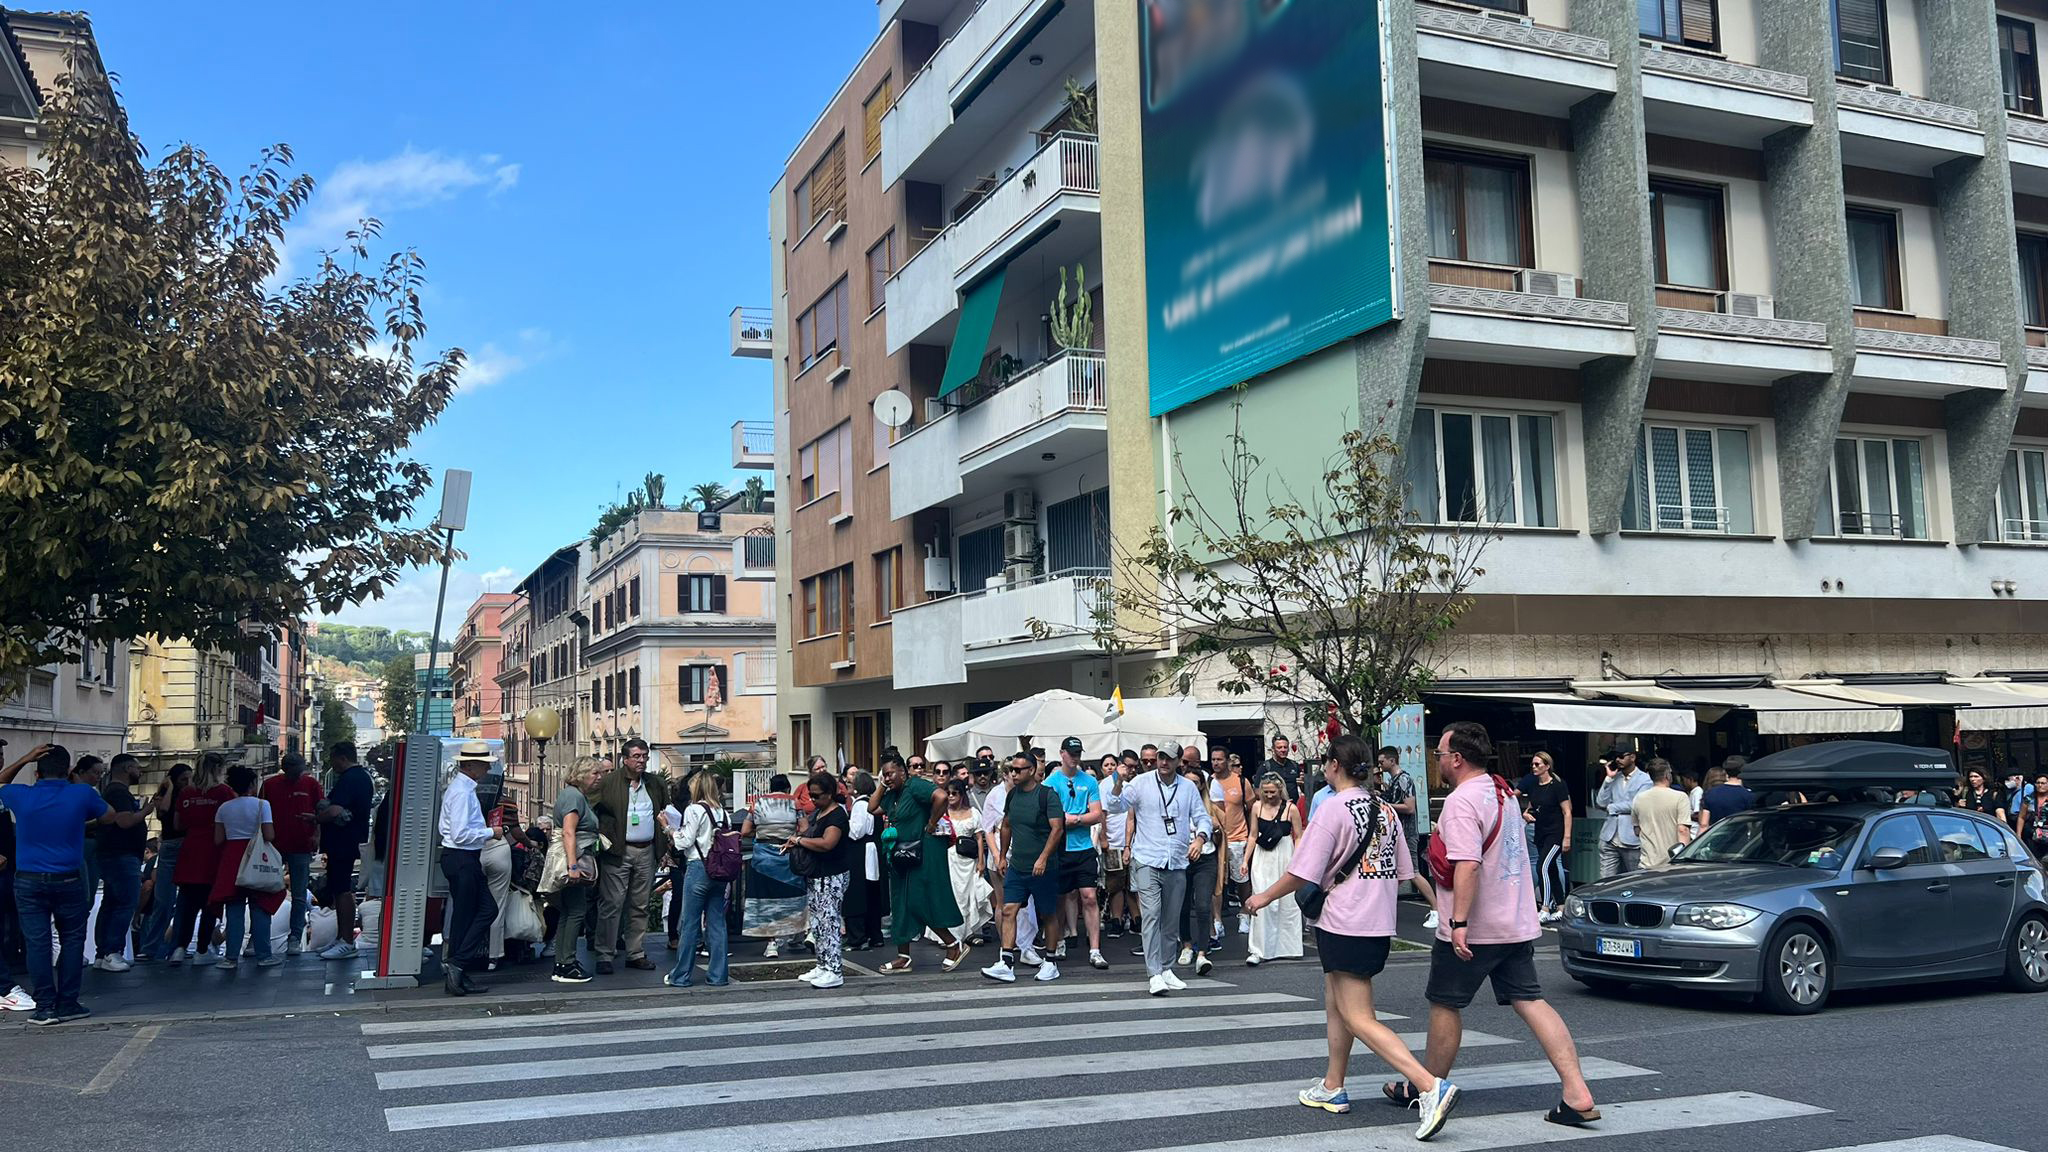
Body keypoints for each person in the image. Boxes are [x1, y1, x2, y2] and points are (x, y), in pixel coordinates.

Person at [1246, 735, 1459, 1138]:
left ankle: (1430, 1086)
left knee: (1358, 1016)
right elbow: (1404, 871)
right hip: (1377, 919)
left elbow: (1302, 871)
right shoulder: (1385, 810)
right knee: (1336, 1002)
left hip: (1343, 920)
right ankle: (1333, 1085)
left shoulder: (1331, 809)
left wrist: (1263, 896)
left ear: (1332, 766)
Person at [1395, 721, 1599, 1130]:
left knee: (1446, 1003)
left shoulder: (1461, 802)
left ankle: (1427, 1088)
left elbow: (1467, 864)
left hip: (1476, 926)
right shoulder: (1502, 792)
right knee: (1530, 1001)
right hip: (1515, 921)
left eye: (1439, 755)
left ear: (1455, 758)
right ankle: (1576, 1092)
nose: (1437, 762)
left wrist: (1459, 922)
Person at [0, 745, 118, 1024]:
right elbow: (110, 816)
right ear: (67, 771)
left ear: (37, 772)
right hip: (68, 878)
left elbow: (0, 782)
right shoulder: (81, 794)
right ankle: (67, 1003)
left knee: (37, 943)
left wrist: (25, 758)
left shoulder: (22, 795)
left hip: (28, 880)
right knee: (73, 940)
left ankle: (44, 1007)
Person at [1103, 739, 1212, 995]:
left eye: (1169, 758)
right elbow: (1115, 805)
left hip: (1175, 859)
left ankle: (1166, 967)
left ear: (1178, 761)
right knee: (1151, 914)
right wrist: (1118, 782)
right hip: (1147, 857)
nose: (1163, 762)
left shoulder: (1187, 787)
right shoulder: (1140, 782)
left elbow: (1202, 817)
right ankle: (1153, 972)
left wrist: (1200, 838)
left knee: (1171, 918)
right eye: (1160, 757)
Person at [983, 751, 1066, 984]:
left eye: (1018, 770)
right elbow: (1006, 825)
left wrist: (1043, 858)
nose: (1013, 773)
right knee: (1009, 909)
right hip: (1018, 866)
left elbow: (1057, 829)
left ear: (1031, 771)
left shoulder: (1047, 796)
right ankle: (1006, 962)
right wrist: (1001, 856)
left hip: (1044, 868)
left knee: (1047, 913)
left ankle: (1050, 962)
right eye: (1011, 770)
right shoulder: (1012, 796)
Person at [878, 753, 965, 974]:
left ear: (902, 772)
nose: (887, 778)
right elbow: (872, 808)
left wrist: (931, 823)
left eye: (890, 774)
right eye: (884, 774)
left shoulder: (915, 786)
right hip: (901, 856)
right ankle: (903, 956)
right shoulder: (893, 795)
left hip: (922, 852)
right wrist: (881, 785)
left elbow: (941, 797)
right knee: (901, 903)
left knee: (919, 901)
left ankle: (953, 944)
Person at [591, 738, 666, 974]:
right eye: (637, 756)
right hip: (617, 851)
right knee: (611, 904)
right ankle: (605, 953)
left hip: (647, 850)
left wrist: (664, 849)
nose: (642, 760)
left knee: (640, 904)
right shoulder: (609, 782)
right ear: (625, 759)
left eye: (644, 756)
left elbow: (665, 813)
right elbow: (592, 809)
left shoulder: (655, 783)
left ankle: (636, 952)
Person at [439, 741, 500, 996]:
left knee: (465, 916)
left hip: (459, 858)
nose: (487, 767)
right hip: (463, 857)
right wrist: (491, 832)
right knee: (486, 910)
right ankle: (458, 964)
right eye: (484, 763)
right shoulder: (463, 792)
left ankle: (458, 970)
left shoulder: (460, 788)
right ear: (471, 765)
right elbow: (461, 834)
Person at [210, 763, 285, 971]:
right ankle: (263, 954)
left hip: (231, 859)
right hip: (256, 859)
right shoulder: (263, 805)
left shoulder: (223, 808)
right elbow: (269, 835)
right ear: (252, 784)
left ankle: (231, 957)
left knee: (234, 911)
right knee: (260, 908)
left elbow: (218, 839)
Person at [664, 770, 733, 988]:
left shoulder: (694, 810)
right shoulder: (723, 812)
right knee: (716, 923)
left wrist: (668, 829)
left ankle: (681, 975)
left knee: (690, 924)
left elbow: (683, 842)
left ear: (698, 788)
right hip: (720, 872)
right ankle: (718, 975)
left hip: (698, 868)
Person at [785, 772, 852, 989]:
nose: (813, 800)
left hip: (832, 875)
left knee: (829, 922)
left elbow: (827, 843)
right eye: (811, 796)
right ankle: (823, 964)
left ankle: (834, 969)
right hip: (818, 875)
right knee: (818, 923)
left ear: (830, 794)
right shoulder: (821, 812)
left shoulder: (837, 816)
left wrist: (800, 840)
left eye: (817, 795)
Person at [1046, 737, 1107, 970]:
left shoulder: (1089, 781)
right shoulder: (1051, 782)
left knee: (1089, 897)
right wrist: (1065, 820)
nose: (1074, 757)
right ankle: (1058, 940)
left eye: (1078, 753)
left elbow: (1096, 814)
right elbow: (1050, 815)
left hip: (1083, 848)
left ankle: (1095, 949)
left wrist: (1076, 819)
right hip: (1060, 848)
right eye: (1071, 753)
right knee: (1060, 898)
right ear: (1062, 754)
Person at [169, 754, 233, 964]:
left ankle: (179, 947)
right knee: (210, 905)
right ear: (218, 769)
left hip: (190, 851)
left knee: (187, 905)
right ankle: (202, 950)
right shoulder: (224, 793)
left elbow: (177, 824)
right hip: (214, 853)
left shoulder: (187, 792)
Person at [259, 751, 323, 956]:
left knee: (298, 894)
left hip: (301, 845)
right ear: (285, 769)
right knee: (267, 890)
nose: (298, 775)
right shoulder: (269, 785)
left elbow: (321, 812)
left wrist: (316, 832)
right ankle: (259, 935)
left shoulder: (311, 785)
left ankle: (294, 937)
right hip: (274, 847)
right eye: (295, 771)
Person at [316, 742, 375, 962]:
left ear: (341, 758)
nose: (331, 763)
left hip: (344, 841)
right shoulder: (361, 777)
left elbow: (334, 809)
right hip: (345, 841)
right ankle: (343, 937)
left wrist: (317, 818)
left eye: (333, 758)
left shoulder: (351, 779)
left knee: (342, 890)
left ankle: (346, 941)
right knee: (339, 888)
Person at [91, 753, 149, 970]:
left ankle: (102, 953)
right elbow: (124, 821)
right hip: (122, 855)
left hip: (113, 854)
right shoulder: (119, 793)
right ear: (126, 769)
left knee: (111, 902)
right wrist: (146, 811)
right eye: (136, 767)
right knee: (125, 902)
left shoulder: (111, 792)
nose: (139, 771)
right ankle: (112, 952)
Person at [1374, 745, 1441, 931]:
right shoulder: (1395, 781)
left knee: (1413, 871)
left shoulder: (1404, 779)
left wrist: (1385, 803)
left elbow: (1409, 807)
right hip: (1397, 832)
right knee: (1399, 871)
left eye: (1382, 762)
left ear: (1391, 760)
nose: (1380, 765)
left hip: (1407, 832)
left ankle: (1436, 909)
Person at [742, 773, 808, 957]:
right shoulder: (795, 802)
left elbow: (745, 830)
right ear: (787, 788)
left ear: (770, 788)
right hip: (787, 855)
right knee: (794, 895)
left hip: (763, 858)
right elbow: (804, 829)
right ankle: (797, 936)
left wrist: (761, 830)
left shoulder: (757, 803)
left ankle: (771, 944)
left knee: (765, 898)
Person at [550, 758, 602, 983]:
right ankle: (567, 964)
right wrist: (573, 866)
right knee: (577, 911)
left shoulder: (573, 795)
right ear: (581, 775)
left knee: (569, 911)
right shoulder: (574, 797)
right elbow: (568, 832)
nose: (599, 777)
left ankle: (562, 962)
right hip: (575, 859)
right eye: (594, 773)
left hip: (576, 857)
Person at [1243, 772, 1303, 964]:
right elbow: (1252, 835)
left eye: (1272, 792)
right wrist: (1246, 860)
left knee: (1287, 900)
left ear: (1280, 790)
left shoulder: (1291, 809)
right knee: (1260, 896)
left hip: (1285, 854)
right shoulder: (1256, 807)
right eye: (1265, 792)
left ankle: (1289, 946)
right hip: (1262, 856)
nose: (1269, 796)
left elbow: (1299, 835)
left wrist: (1299, 858)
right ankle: (1258, 949)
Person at [134, 762, 189, 962]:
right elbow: (163, 811)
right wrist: (171, 788)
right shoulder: (164, 797)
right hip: (170, 846)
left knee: (182, 900)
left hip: (184, 846)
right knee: (163, 901)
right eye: (183, 779)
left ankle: (175, 946)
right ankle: (152, 947)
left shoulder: (188, 796)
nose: (187, 783)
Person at [1178, 762, 1226, 976]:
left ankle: (1203, 952)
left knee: (1203, 904)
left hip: (1206, 859)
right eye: (1188, 782)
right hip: (1181, 859)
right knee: (1182, 904)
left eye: (1196, 783)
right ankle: (1186, 945)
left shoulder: (1210, 807)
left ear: (1201, 786)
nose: (1191, 786)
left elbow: (1223, 834)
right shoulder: (1175, 804)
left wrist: (1215, 829)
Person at [941, 777, 993, 949]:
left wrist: (981, 861)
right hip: (949, 858)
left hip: (969, 860)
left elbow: (980, 838)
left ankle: (970, 932)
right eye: (948, 793)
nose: (950, 796)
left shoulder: (974, 813)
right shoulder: (942, 813)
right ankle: (951, 934)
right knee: (952, 895)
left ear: (961, 794)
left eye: (954, 793)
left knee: (969, 895)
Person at [1521, 751, 1571, 924]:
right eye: (1533, 764)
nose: (1534, 767)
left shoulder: (1558, 785)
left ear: (1547, 766)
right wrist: (1526, 815)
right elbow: (1530, 808)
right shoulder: (1534, 786)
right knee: (1551, 870)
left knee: (1542, 866)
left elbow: (1567, 811)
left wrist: (1567, 837)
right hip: (1540, 831)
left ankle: (1545, 907)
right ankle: (1561, 906)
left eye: (1538, 764)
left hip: (1555, 833)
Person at [1209, 745, 1252, 931]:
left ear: (1227, 761)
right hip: (1216, 839)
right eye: (1213, 759)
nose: (1216, 763)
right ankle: (1217, 921)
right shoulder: (1207, 782)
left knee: (1241, 879)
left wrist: (1251, 836)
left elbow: (1251, 809)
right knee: (1216, 882)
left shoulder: (1241, 781)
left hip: (1238, 837)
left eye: (1219, 759)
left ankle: (1244, 912)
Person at [843, 770, 886, 953]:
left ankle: (857, 938)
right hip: (874, 850)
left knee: (857, 895)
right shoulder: (873, 802)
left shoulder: (860, 805)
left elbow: (857, 831)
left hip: (861, 852)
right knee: (872, 895)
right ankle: (875, 935)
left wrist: (844, 826)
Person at [1593, 746, 1650, 878]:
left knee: (1634, 879)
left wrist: (1612, 808)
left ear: (1632, 757)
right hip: (1609, 837)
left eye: (1621, 756)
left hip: (1631, 838)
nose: (1618, 759)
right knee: (1606, 881)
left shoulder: (1645, 779)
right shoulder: (1614, 778)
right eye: (1616, 757)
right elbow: (1600, 802)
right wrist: (1608, 779)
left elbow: (1637, 805)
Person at [1631, 761, 1693, 871]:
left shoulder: (1639, 798)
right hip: (1672, 863)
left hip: (1647, 862)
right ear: (1667, 775)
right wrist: (1683, 860)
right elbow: (1683, 830)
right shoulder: (1680, 797)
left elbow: (1637, 830)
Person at [1100, 753, 1135, 938]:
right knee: (1115, 885)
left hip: (1128, 842)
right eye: (1107, 764)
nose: (1111, 767)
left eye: (1113, 764)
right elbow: (1102, 815)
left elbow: (1131, 817)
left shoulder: (1131, 786)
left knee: (1131, 884)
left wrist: (1129, 844)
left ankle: (1135, 920)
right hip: (1111, 842)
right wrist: (1104, 838)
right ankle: (1116, 920)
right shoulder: (1104, 785)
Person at [1697, 757, 1753, 833]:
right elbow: (1752, 823)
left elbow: (1704, 824)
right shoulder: (1748, 795)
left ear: (1726, 772)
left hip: (1716, 837)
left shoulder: (1711, 793)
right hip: (1739, 839)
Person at [1262, 734, 1303, 803]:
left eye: (1285, 747)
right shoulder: (1266, 767)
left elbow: (1304, 790)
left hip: (1293, 807)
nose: (1283, 750)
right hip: (1274, 807)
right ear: (1273, 749)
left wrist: (1303, 785)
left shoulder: (1294, 765)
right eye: (1279, 747)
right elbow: (1257, 790)